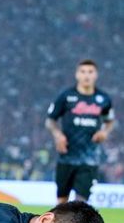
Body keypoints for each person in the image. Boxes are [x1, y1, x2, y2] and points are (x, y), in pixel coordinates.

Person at [46, 60, 115, 203]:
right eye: (83, 72)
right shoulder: (66, 96)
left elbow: (110, 120)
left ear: (96, 75)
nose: (86, 75)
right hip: (66, 156)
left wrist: (104, 132)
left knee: (80, 203)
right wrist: (58, 135)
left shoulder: (103, 99)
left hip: (89, 160)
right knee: (61, 203)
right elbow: (50, 120)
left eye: (90, 72)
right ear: (77, 75)